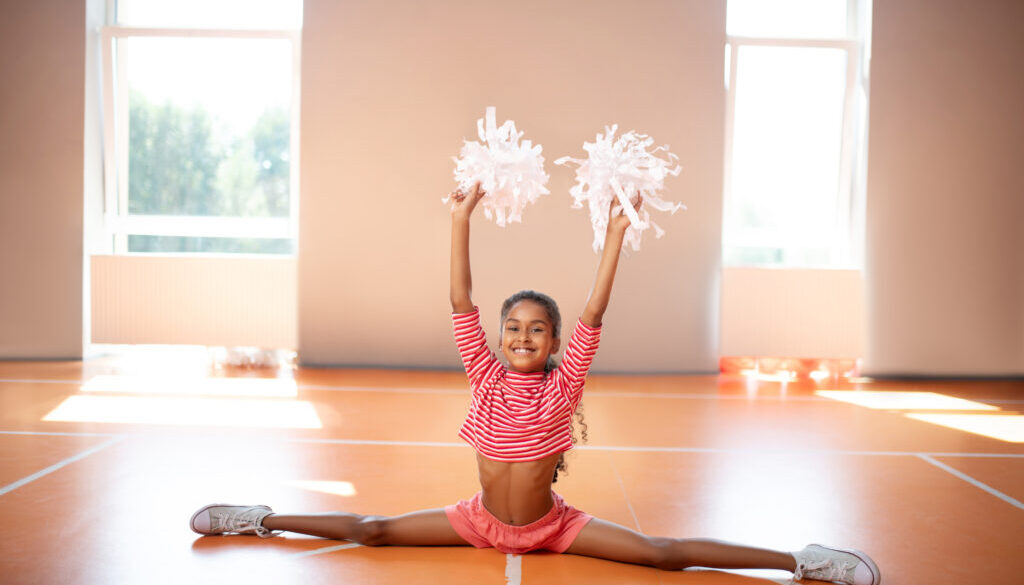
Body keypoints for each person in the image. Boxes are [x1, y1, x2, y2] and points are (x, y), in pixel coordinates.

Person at [191, 181, 881, 585]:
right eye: (513, 326)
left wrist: (614, 236)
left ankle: (803, 560)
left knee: (663, 555)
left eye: (536, 330)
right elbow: (460, 299)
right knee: (371, 530)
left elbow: (594, 310)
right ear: (498, 337)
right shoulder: (484, 372)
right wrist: (460, 220)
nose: (522, 336)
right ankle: (259, 516)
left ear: (555, 345)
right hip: (480, 521)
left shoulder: (564, 384)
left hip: (551, 525)